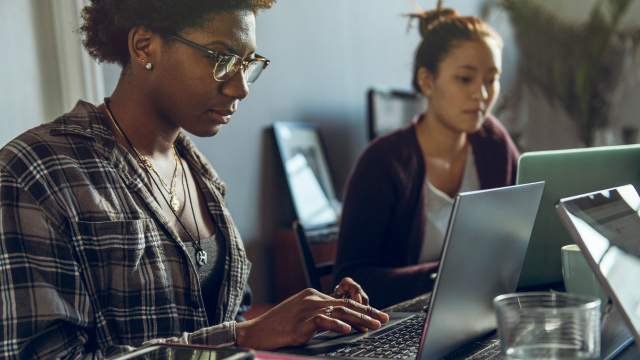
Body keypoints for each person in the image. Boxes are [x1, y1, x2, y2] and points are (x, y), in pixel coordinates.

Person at [0, 1, 389, 358]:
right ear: (144, 46)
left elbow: (224, 320)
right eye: (221, 59)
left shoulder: (200, 173)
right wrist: (243, 336)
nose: (240, 87)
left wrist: (311, 320)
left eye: (248, 63)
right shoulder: (37, 172)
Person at [333, 2, 520, 309]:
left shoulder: (493, 144)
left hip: (479, 312)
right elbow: (349, 279)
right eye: (465, 78)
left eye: (491, 78)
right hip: (397, 324)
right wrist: (445, 276)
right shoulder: (383, 162)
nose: (482, 94)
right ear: (427, 81)